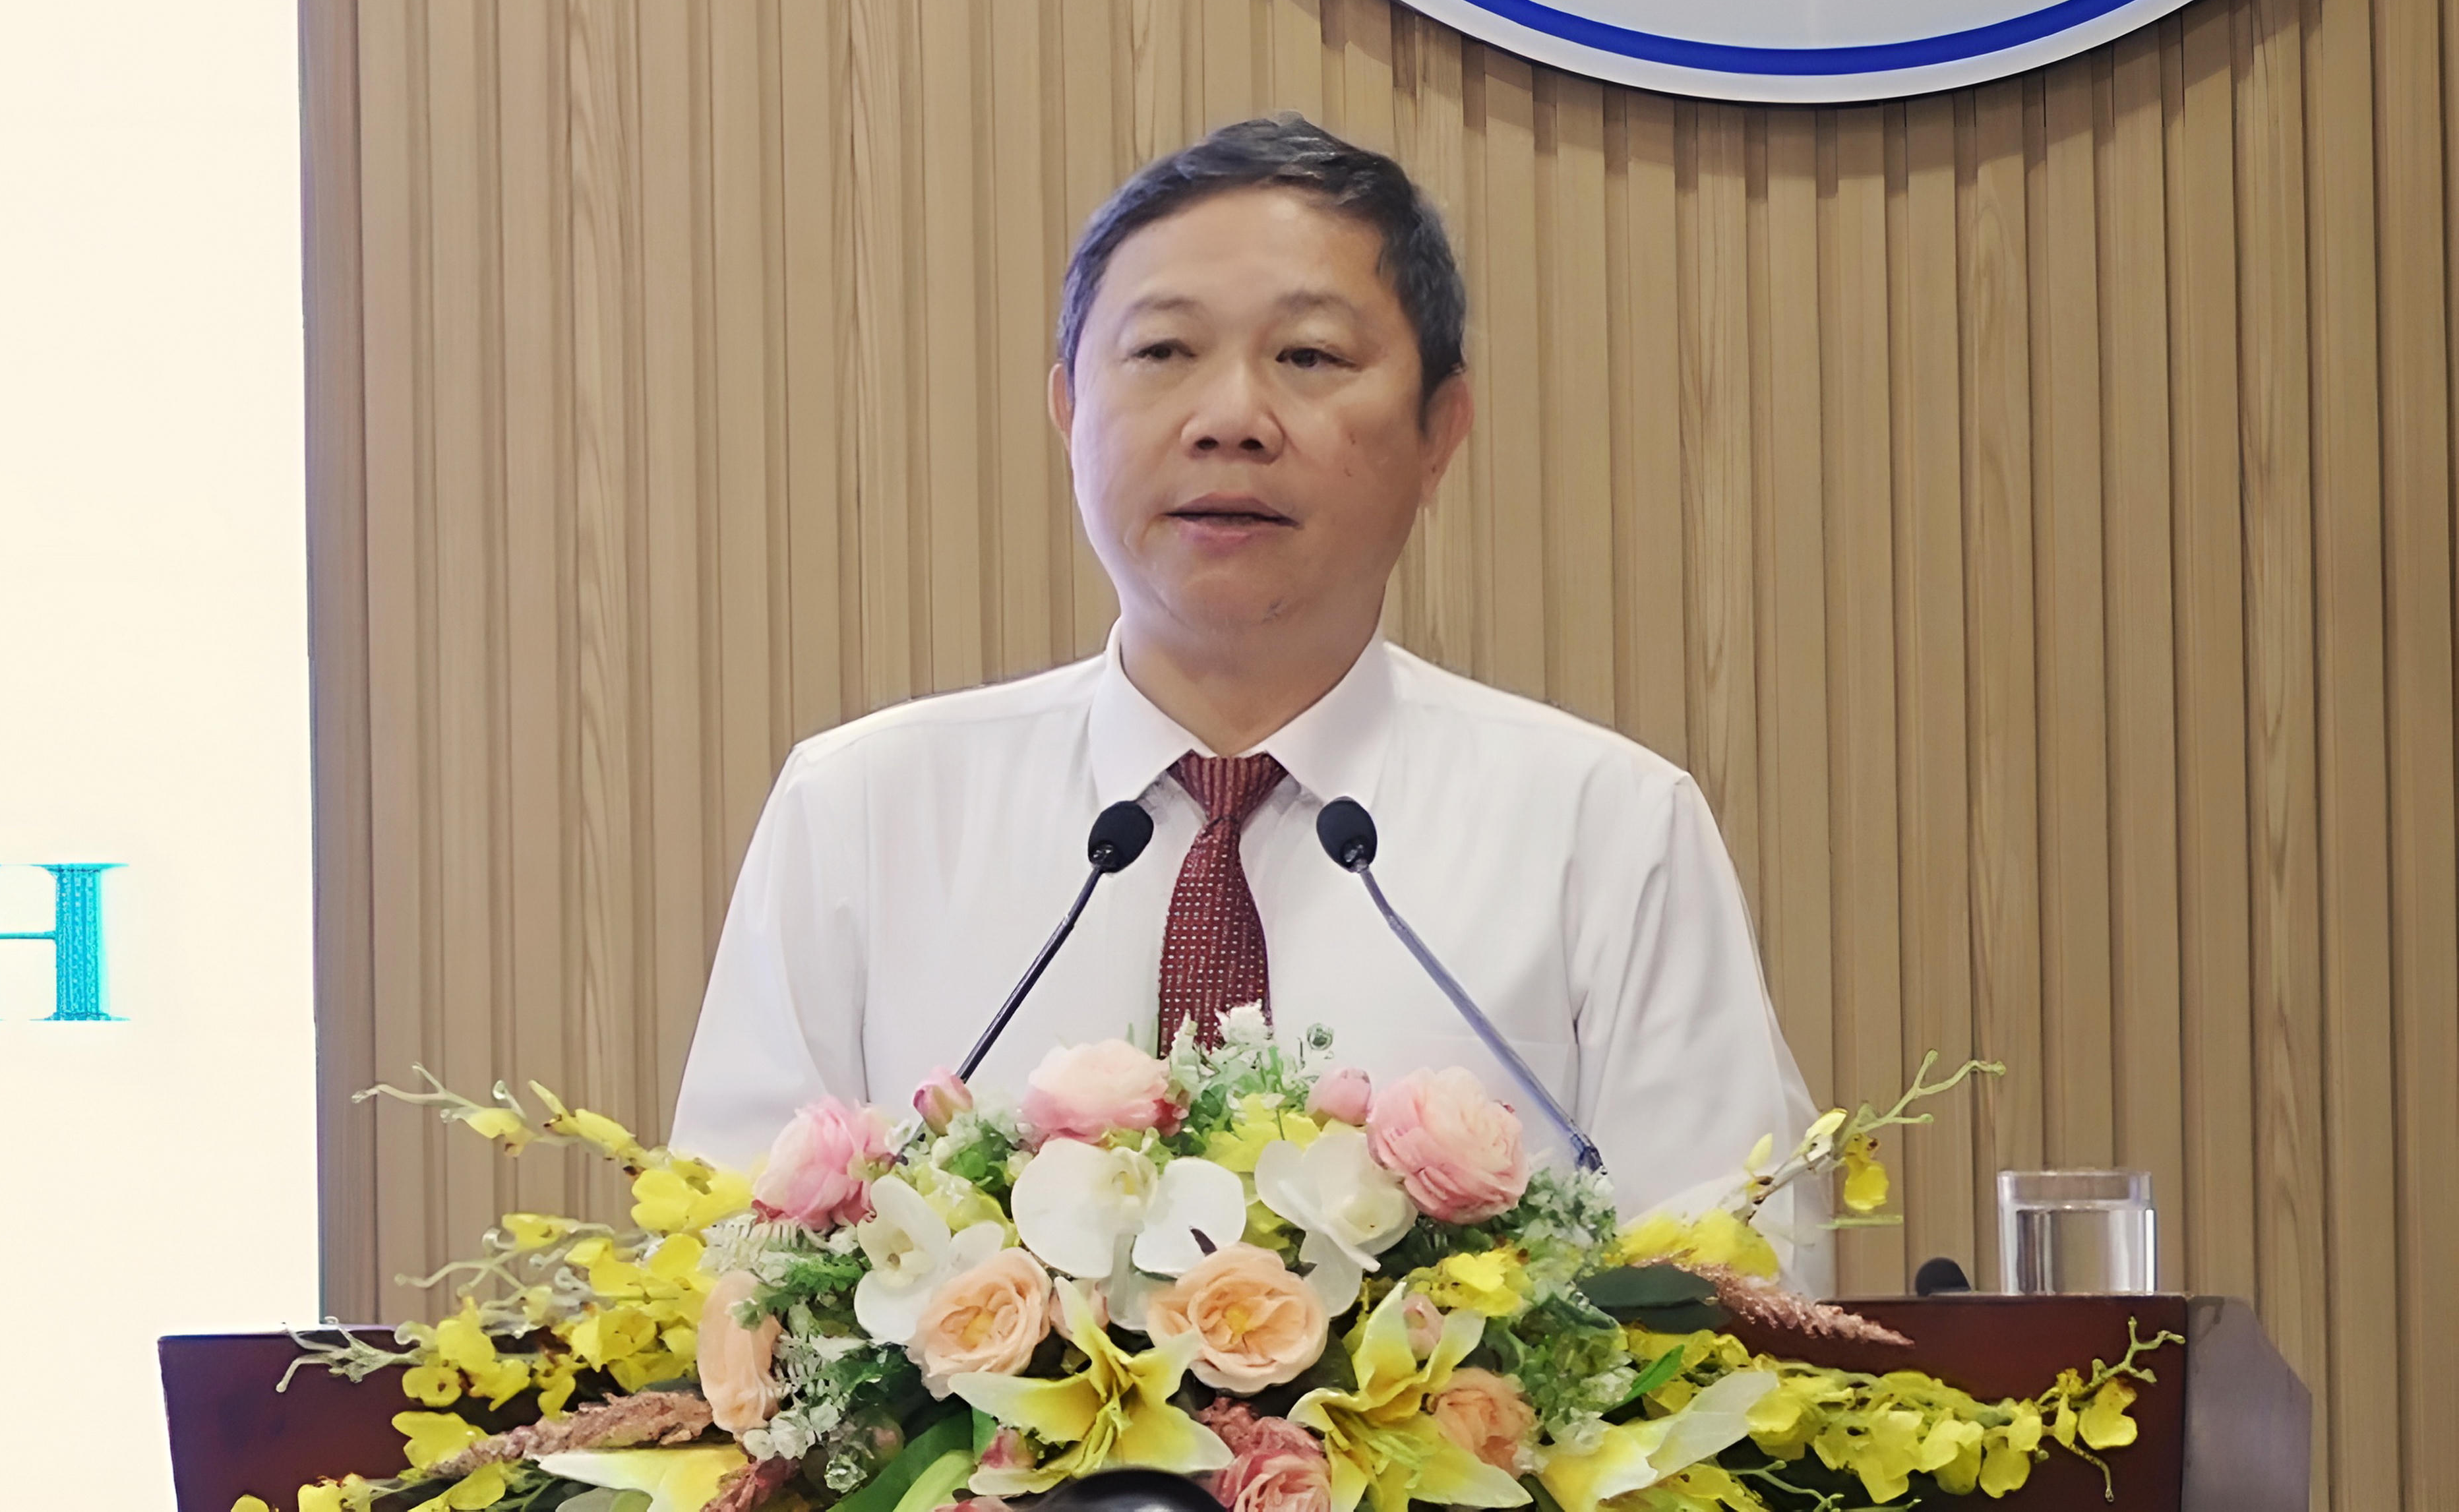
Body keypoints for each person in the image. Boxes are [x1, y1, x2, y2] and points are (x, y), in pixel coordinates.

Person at [672, 114, 1828, 1286]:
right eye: (1163, 352)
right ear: (1070, 414)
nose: (1230, 418)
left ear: (1440, 431)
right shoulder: (862, 815)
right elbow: (729, 1293)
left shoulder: (1608, 830)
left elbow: (1745, 1302)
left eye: (1309, 358)